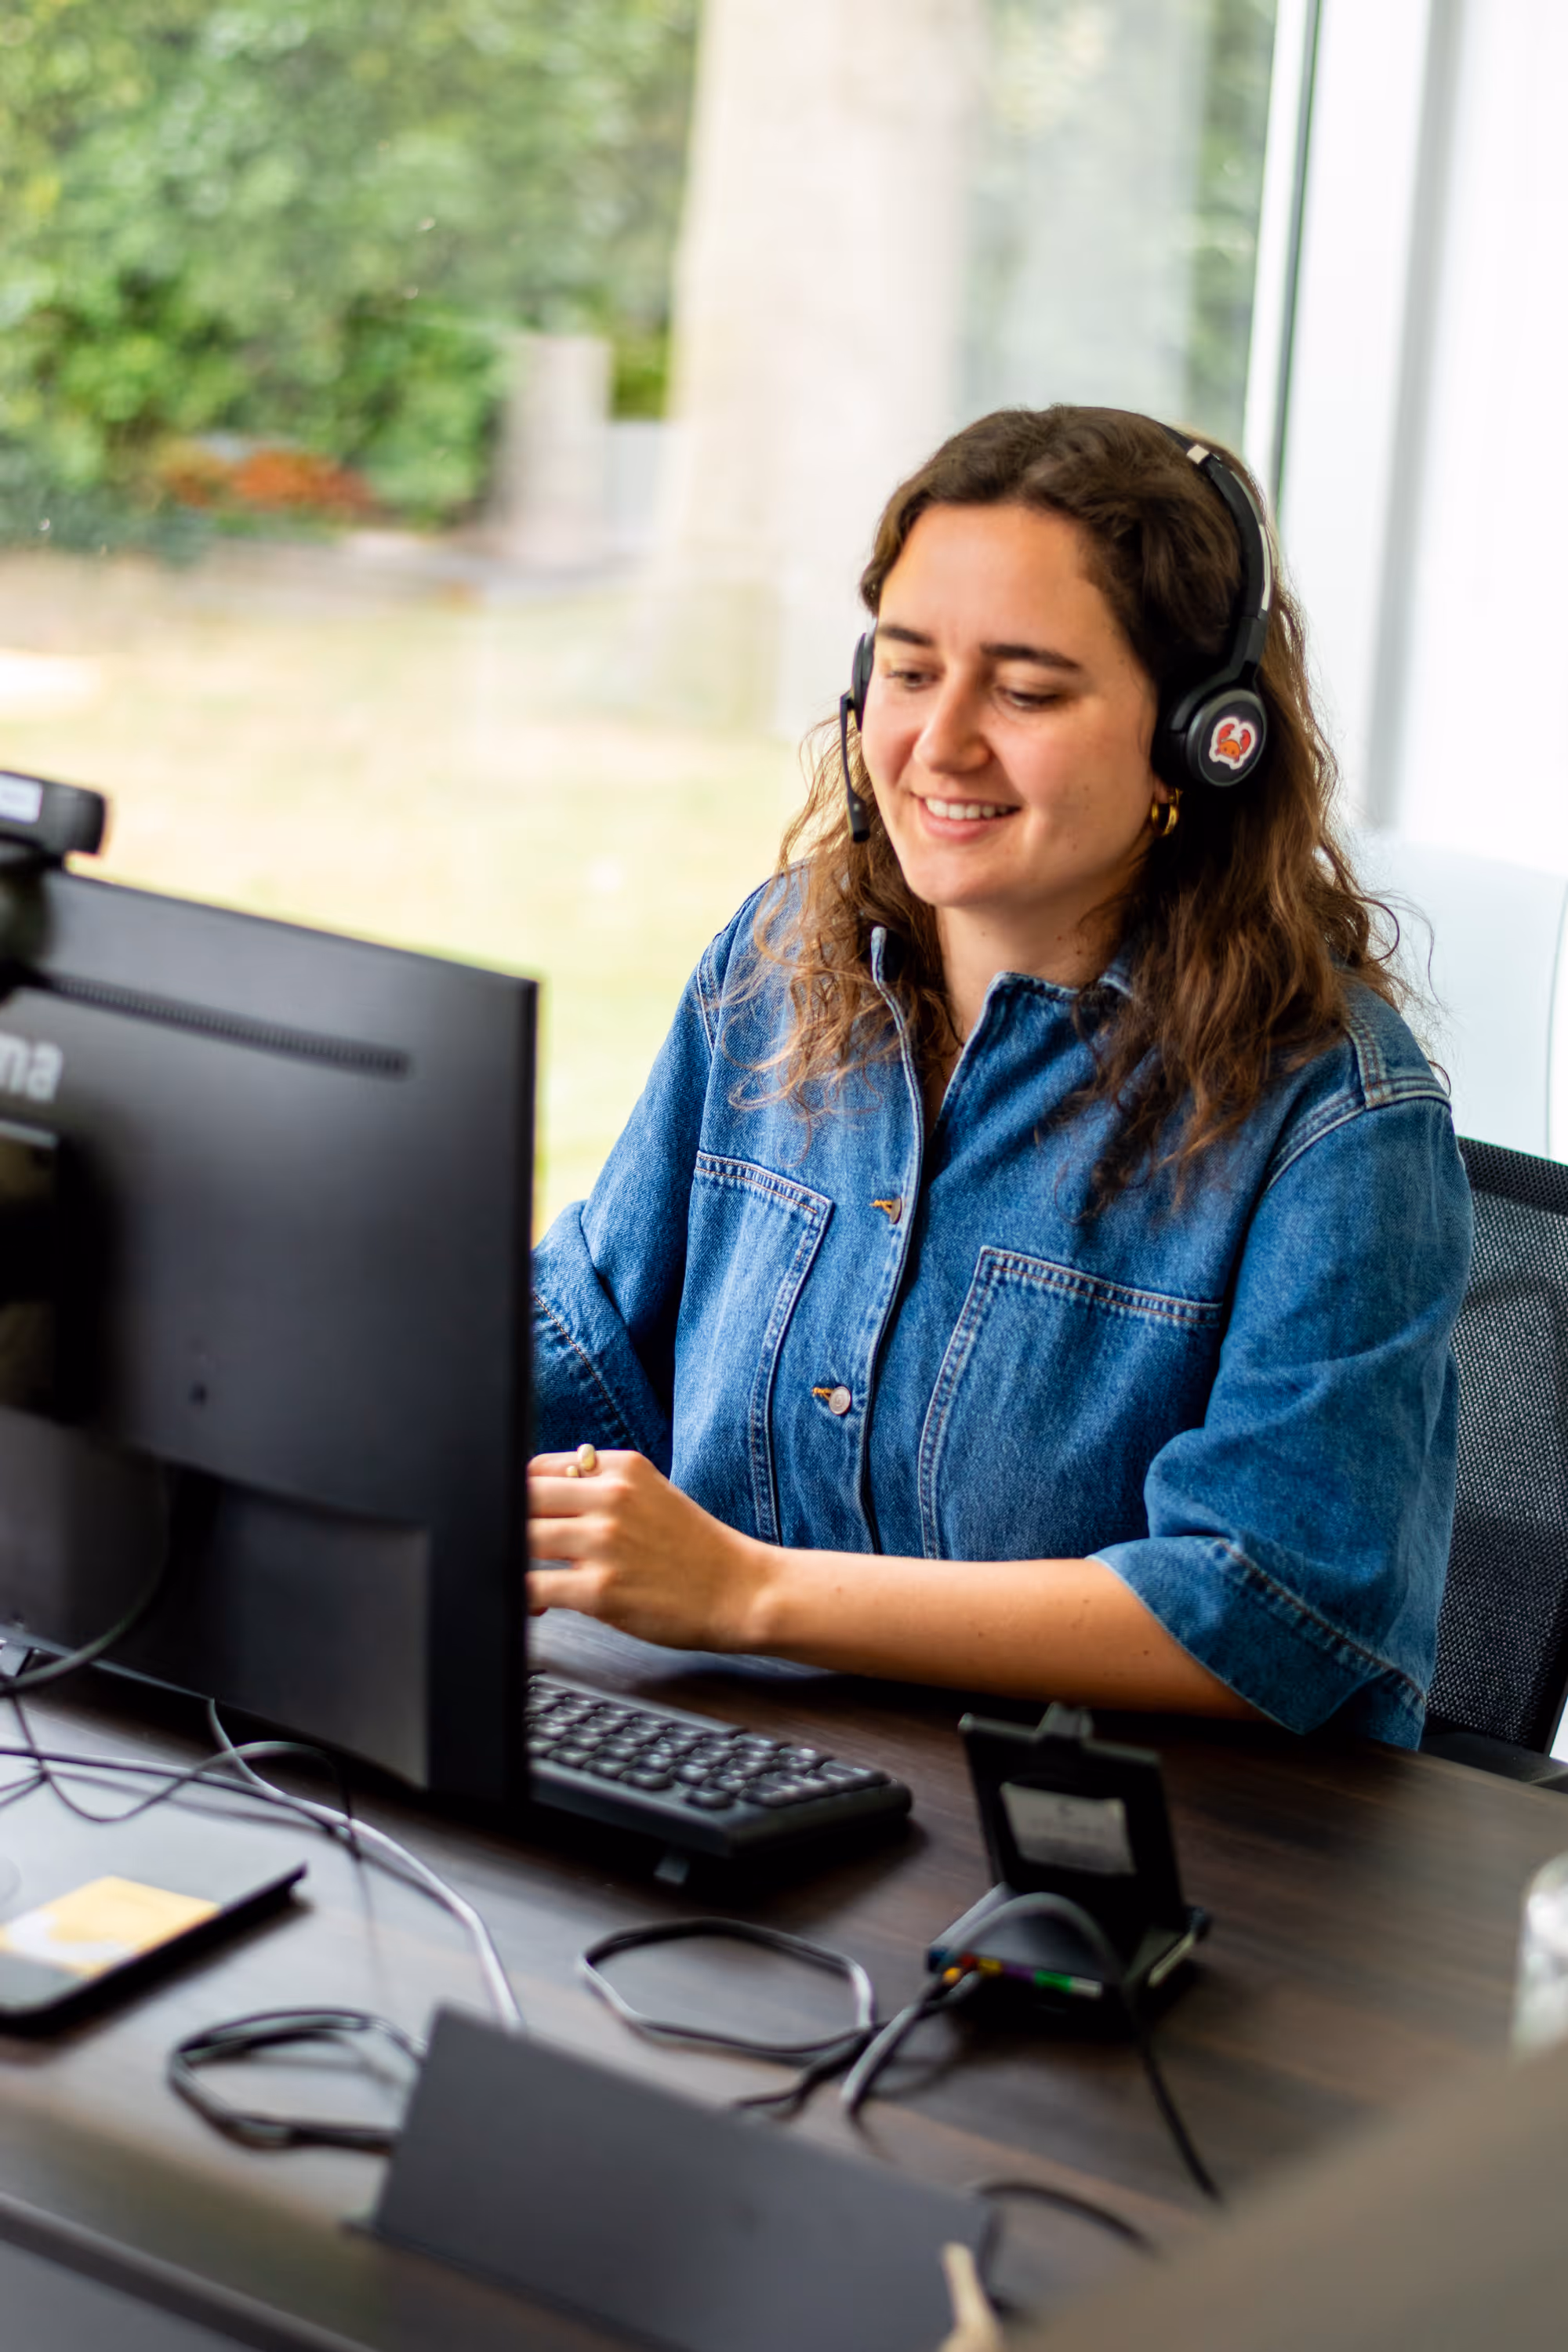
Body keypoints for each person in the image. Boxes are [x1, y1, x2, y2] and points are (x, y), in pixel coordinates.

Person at [525, 405, 1472, 1744]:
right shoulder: (780, 963)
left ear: (1205, 739)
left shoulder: (1337, 1125)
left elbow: (1268, 1605)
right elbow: (591, 1353)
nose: (942, 744)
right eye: (909, 674)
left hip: (1143, 1866)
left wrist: (746, 1593)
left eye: (1026, 692)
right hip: (746, 1767)